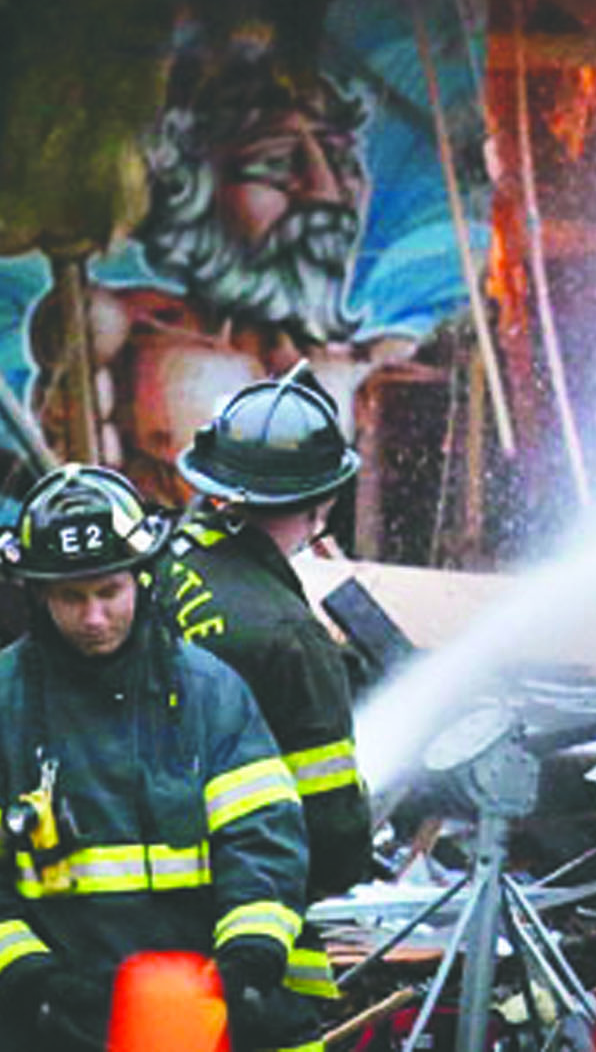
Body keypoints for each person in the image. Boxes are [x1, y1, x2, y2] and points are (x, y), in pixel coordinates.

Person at [0, 464, 320, 1052]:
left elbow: (264, 843)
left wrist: (246, 962)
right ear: (37, 592)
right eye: (70, 597)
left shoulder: (211, 694)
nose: (94, 617)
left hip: (204, 1001)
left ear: (143, 580)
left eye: (109, 591)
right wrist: (33, 982)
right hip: (61, 1014)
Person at [27, 19, 415, 505]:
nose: (324, 192)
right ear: (195, 188)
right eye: (274, 165)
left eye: (338, 162)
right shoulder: (133, 338)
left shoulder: (371, 366)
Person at [160, 363, 373, 1007]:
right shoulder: (289, 638)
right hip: (242, 931)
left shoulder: (152, 567)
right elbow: (331, 835)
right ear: (323, 503)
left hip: (122, 915)